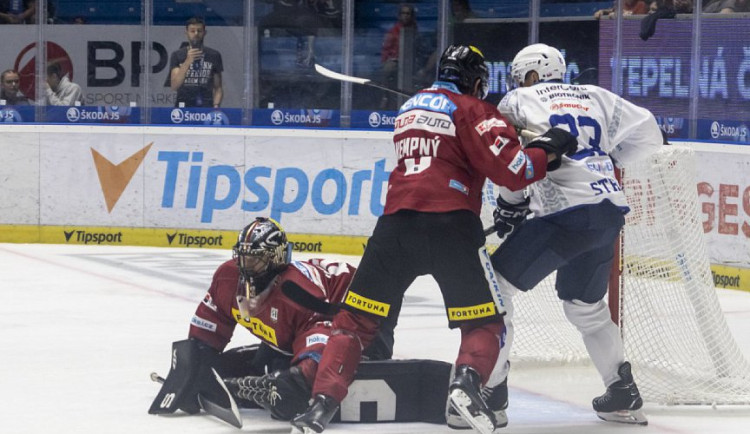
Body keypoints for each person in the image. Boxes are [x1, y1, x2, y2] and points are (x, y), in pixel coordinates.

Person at [290, 45, 578, 434]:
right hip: (451, 227)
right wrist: (549, 148)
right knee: (485, 324)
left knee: (352, 324)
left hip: (395, 228)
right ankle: (466, 384)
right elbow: (514, 171)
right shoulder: (475, 110)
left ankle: (320, 406)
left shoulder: (409, 110)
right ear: (476, 82)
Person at [453, 43, 662, 429]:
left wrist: (511, 206)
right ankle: (621, 392)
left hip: (564, 214)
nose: (518, 83)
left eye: (520, 77)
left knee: (492, 289)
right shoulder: (597, 95)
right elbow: (650, 133)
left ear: (531, 75)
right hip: (607, 211)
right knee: (585, 306)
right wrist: (605, 160)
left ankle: (492, 392)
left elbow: (510, 163)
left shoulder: (518, 101)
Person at [149, 217, 400, 423]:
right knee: (265, 363)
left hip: (368, 312)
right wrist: (196, 363)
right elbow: (209, 327)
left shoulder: (297, 295)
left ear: (276, 259)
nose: (246, 268)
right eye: (243, 258)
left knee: (301, 381)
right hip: (308, 320)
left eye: (255, 260)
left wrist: (300, 376)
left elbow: (324, 339)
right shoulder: (227, 278)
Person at [168, 17, 223, 108]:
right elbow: (174, 85)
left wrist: (216, 106)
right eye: (192, 31)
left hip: (206, 105)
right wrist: (187, 62)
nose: (196, 34)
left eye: (199, 31)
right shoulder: (178, 55)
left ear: (204, 33)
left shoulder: (214, 55)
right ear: (186, 33)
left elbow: (218, 87)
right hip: (183, 107)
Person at [379, 4, 417, 109]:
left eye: (408, 13)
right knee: (388, 69)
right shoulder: (393, 31)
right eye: (403, 13)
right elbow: (386, 50)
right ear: (399, 16)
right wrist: (387, 61)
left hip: (411, 61)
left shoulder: (415, 30)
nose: (405, 16)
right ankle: (385, 96)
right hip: (396, 61)